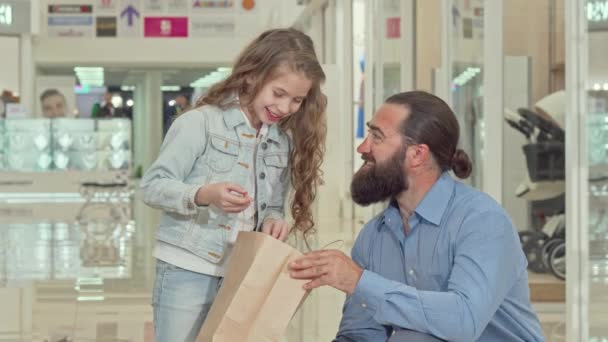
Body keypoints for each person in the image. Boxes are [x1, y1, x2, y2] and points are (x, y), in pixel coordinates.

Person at [289, 91, 544, 342]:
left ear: (417, 154)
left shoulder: (482, 221)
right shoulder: (374, 237)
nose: (362, 147)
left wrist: (359, 281)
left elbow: (464, 321)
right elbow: (361, 335)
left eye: (376, 136)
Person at [140, 28, 327, 342]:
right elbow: (152, 186)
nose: (284, 108)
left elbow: (272, 204)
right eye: (278, 93)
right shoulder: (200, 123)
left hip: (243, 271)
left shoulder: (280, 140)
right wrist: (203, 195)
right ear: (252, 76)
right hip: (186, 268)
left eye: (297, 100)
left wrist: (273, 219)